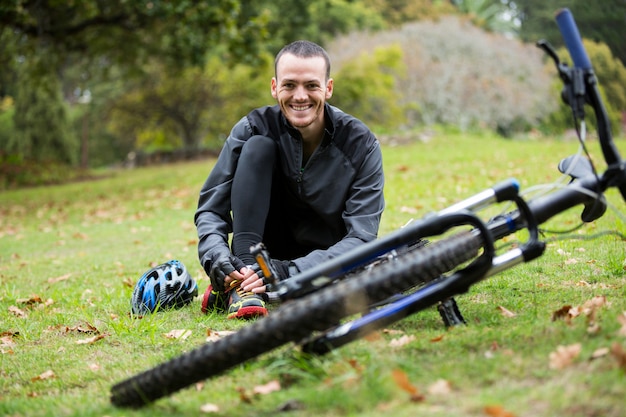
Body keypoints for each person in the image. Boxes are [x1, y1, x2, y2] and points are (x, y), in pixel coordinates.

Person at [195, 40, 385, 320]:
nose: (300, 96)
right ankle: (244, 287)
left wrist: (286, 271)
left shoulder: (361, 143)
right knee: (258, 147)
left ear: (328, 88)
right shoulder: (252, 127)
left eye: (311, 85)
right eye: (289, 85)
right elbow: (211, 209)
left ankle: (245, 286)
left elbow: (361, 236)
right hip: (258, 257)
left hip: (323, 261)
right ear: (274, 87)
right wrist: (218, 257)